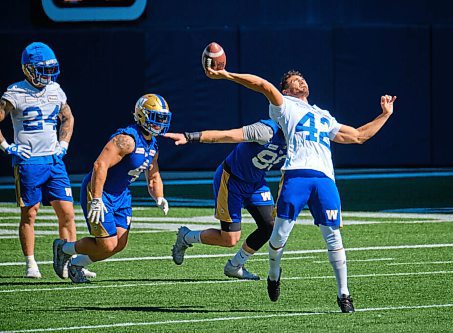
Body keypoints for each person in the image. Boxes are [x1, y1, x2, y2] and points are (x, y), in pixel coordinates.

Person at [205, 67, 396, 313]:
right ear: (286, 90)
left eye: (303, 79)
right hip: (296, 174)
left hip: (325, 179)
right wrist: (227, 75)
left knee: (333, 236)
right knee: (279, 234)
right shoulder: (285, 106)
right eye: (296, 80)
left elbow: (358, 136)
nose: (302, 82)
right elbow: (263, 85)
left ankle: (344, 294)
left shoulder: (323, 115)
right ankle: (274, 275)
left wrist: (385, 115)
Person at [52, 93, 172, 283]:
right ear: (142, 115)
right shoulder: (127, 139)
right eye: (156, 118)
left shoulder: (153, 144)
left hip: (122, 194)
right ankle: (64, 248)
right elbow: (100, 165)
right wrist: (97, 198)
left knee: (119, 244)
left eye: (163, 119)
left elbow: (153, 174)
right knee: (107, 244)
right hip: (101, 191)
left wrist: (159, 197)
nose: (159, 123)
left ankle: (77, 264)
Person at [0, 42, 95, 279]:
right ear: (28, 69)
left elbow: (68, 117)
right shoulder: (14, 93)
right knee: (29, 214)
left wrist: (63, 144)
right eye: (43, 69)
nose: (48, 75)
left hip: (54, 161)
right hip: (29, 162)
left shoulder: (55, 90)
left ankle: (70, 261)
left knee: (67, 213)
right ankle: (30, 262)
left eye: (51, 69)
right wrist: (7, 146)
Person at [166, 118, 286, 280]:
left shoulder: (299, 136)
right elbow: (226, 135)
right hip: (232, 179)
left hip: (256, 182)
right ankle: (186, 237)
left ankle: (235, 266)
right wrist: (190, 136)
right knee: (229, 239)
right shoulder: (266, 131)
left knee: (270, 226)